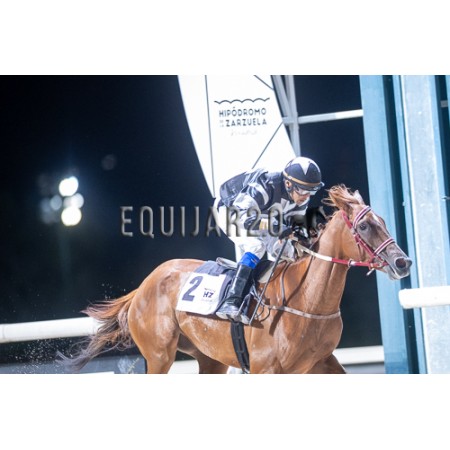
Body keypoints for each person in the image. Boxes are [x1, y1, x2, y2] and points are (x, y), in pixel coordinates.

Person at [214, 156, 324, 324]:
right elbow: (244, 218)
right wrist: (278, 227)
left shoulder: (301, 198)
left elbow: (292, 226)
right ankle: (231, 301)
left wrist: (301, 237)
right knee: (256, 246)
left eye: (311, 191)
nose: (307, 196)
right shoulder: (266, 185)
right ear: (288, 184)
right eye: (303, 190)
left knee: (289, 251)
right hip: (231, 211)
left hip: (262, 216)